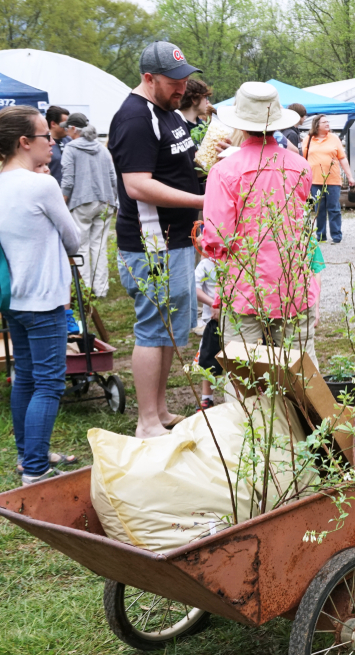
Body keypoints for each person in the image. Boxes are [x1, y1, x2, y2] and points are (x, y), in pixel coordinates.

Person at [108, 40, 204, 438]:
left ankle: (161, 410)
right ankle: (147, 422)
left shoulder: (168, 113)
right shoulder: (133, 118)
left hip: (176, 240)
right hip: (151, 244)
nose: (182, 87)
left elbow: (183, 162)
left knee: (170, 330)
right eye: (174, 81)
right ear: (149, 78)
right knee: (153, 328)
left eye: (186, 78)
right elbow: (137, 186)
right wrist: (203, 198)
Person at [203, 82, 320, 365]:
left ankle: (251, 412)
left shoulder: (223, 171)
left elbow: (218, 238)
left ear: (240, 126)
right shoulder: (300, 166)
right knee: (301, 373)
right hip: (292, 283)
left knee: (245, 374)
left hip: (245, 285)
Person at [0, 106, 82, 484]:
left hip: (13, 297)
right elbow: (73, 237)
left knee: (26, 378)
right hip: (45, 297)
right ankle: (35, 471)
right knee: (48, 383)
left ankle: (28, 456)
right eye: (45, 136)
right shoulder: (42, 185)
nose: (52, 141)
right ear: (24, 142)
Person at [60, 112, 118, 298]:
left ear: (74, 129)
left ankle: (83, 289)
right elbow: (112, 178)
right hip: (105, 201)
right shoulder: (102, 148)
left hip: (81, 202)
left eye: (68, 128)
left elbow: (68, 180)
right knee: (99, 246)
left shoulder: (70, 148)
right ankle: (101, 289)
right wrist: (114, 201)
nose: (66, 132)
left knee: (81, 246)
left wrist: (62, 202)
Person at [303, 114, 354, 243]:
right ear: (316, 125)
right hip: (315, 181)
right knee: (319, 209)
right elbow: (303, 160)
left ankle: (336, 236)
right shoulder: (308, 139)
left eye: (327, 122)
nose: (327, 124)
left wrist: (350, 176)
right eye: (324, 122)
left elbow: (342, 158)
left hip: (332, 180)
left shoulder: (334, 138)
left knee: (334, 208)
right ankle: (321, 235)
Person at [194, 255, 219, 407]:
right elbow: (194, 288)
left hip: (236, 321)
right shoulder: (205, 264)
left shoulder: (236, 261)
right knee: (208, 360)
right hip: (212, 322)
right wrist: (213, 303)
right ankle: (206, 398)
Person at [178, 78, 212, 146]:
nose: (207, 102)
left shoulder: (204, 125)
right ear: (194, 99)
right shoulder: (177, 127)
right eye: (205, 97)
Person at [44, 106, 70, 183]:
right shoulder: (43, 143)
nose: (68, 127)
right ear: (53, 124)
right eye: (65, 124)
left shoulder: (70, 142)